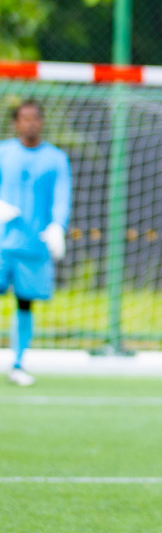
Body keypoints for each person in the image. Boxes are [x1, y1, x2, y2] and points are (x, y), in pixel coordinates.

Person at [0, 100, 71, 387]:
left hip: (33, 247)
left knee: (25, 304)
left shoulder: (55, 158)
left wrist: (58, 226)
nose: (29, 123)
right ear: (16, 123)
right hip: (2, 243)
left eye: (34, 118)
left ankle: (17, 363)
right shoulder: (4, 152)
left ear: (41, 122)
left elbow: (62, 196)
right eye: (24, 118)